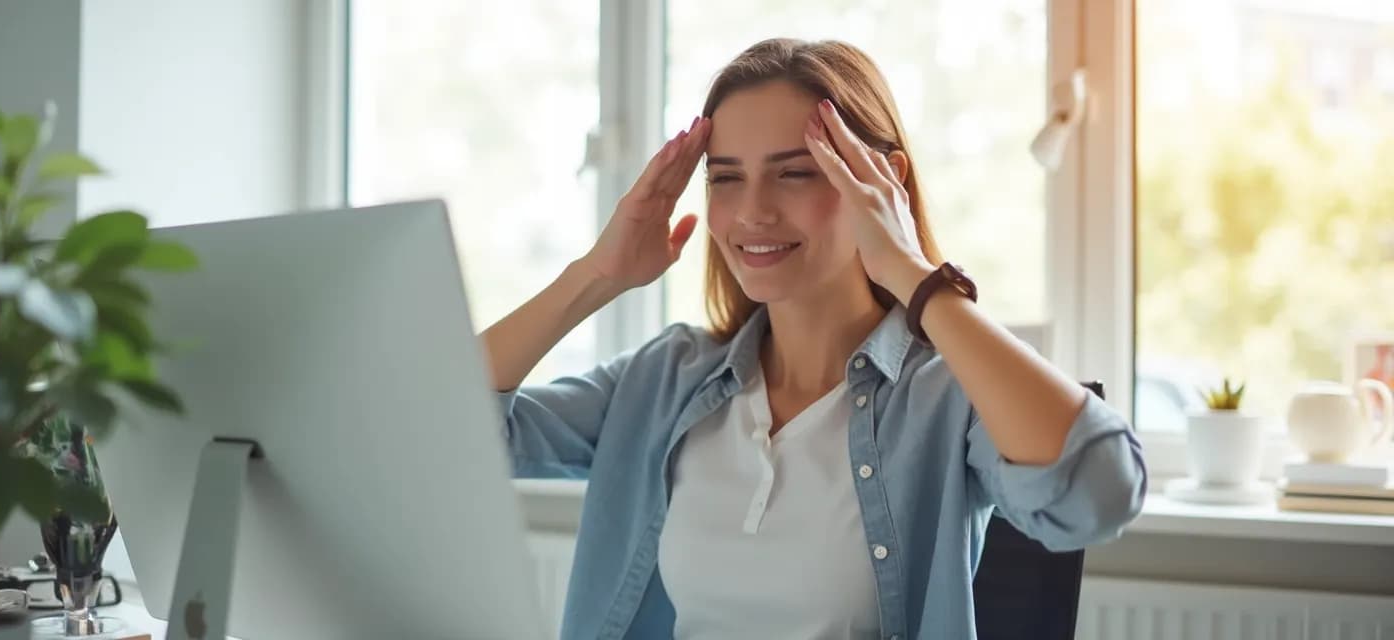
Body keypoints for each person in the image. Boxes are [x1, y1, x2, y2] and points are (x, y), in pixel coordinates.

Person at [481, 38, 1146, 640]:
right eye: (727, 177)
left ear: (883, 185)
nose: (752, 211)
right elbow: (438, 433)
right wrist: (596, 276)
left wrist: (915, 276)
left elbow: (1100, 494)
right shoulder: (664, 378)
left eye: (796, 172)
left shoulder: (945, 398)